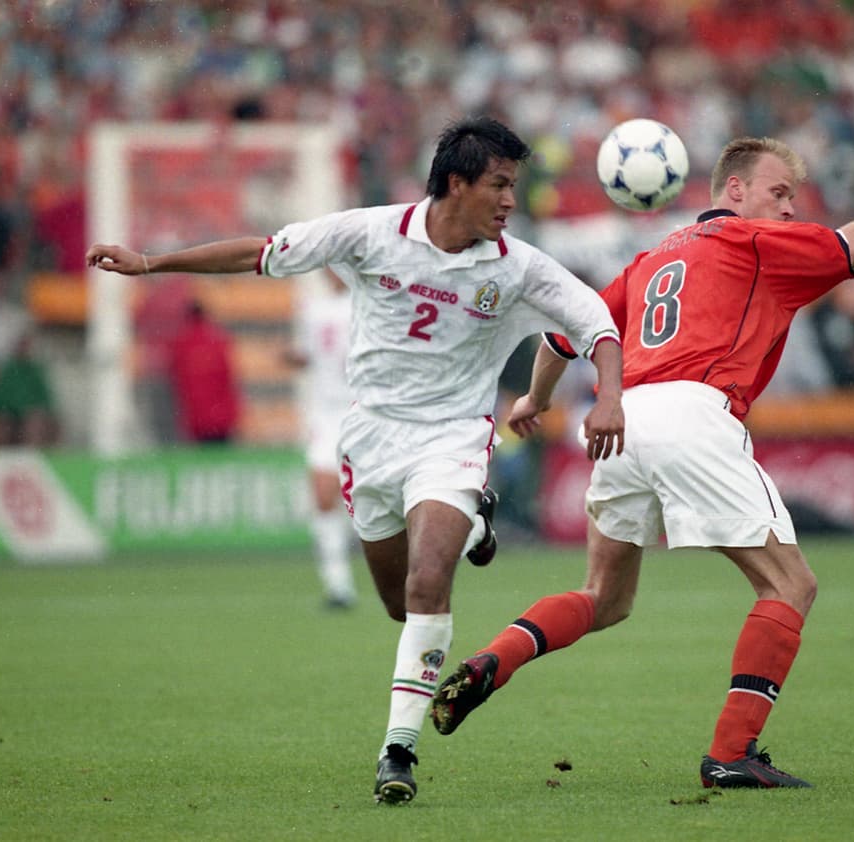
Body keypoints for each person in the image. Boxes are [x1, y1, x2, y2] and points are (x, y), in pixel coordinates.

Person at [86, 116, 625, 805]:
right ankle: (477, 529)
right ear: (456, 183)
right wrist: (153, 264)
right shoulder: (372, 233)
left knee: (431, 584)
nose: (509, 201)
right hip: (370, 439)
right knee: (402, 604)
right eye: (499, 184)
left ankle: (397, 750)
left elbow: (599, 322)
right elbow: (263, 253)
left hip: (453, 437)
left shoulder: (517, 268)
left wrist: (609, 397)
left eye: (513, 186)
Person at [430, 137, 854, 789]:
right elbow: (848, 248)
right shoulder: (752, 244)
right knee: (790, 585)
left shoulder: (651, 259)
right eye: (778, 194)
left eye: (792, 200)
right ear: (734, 192)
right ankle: (732, 752)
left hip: (625, 420)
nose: (787, 211)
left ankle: (494, 659)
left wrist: (534, 398)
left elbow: (561, 336)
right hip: (694, 414)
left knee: (603, 597)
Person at [281, 272, 359, 609]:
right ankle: (338, 585)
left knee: (378, 499)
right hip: (327, 415)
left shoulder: (371, 304)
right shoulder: (314, 309)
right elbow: (310, 355)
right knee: (324, 494)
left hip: (365, 412)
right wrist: (291, 357)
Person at [169, 299, 242, 444]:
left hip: (196, 411)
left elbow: (175, 375)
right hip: (220, 411)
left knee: (201, 451)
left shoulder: (181, 342)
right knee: (221, 451)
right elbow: (228, 375)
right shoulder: (217, 338)